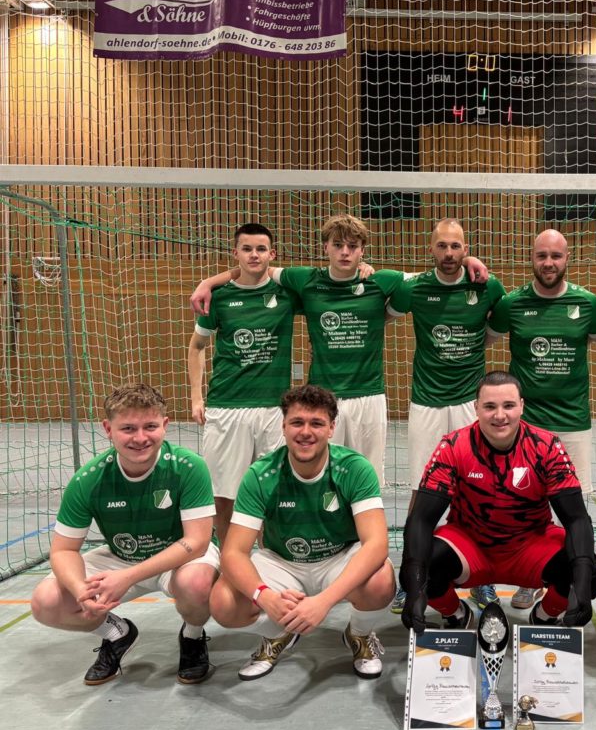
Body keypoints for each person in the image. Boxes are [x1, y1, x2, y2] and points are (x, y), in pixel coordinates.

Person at [191, 214, 488, 485]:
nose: (345, 252)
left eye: (352, 246)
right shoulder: (304, 279)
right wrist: (208, 282)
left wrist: (467, 260)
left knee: (367, 481)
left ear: (362, 251)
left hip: (369, 397)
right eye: (337, 245)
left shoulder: (381, 280)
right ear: (326, 248)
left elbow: (439, 272)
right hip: (324, 397)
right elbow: (257, 267)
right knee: (321, 479)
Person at [30, 384, 218, 686]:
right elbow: (63, 550)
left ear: (165, 425)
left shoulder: (188, 467)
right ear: (108, 429)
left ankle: (193, 636)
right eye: (128, 428)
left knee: (196, 584)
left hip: (177, 557)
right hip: (121, 557)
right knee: (46, 602)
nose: (140, 438)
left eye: (150, 427)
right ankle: (117, 633)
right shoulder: (88, 480)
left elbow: (197, 542)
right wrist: (80, 591)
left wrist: (128, 577)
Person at [209, 384, 395, 681]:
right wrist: (264, 596)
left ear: (331, 428)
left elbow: (376, 544)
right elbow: (233, 552)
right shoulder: (261, 474)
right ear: (283, 426)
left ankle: (359, 635)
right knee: (223, 602)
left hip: (338, 557)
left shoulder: (354, 468)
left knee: (381, 580)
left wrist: (324, 602)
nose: (306, 432)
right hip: (283, 562)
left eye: (316, 423)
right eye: (297, 422)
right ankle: (278, 634)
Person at [399, 371, 596, 632]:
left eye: (508, 405)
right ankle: (456, 613)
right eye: (490, 407)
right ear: (476, 408)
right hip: (469, 544)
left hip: (530, 544)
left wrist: (581, 587)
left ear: (522, 406)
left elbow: (576, 519)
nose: (499, 415)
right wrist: (415, 590)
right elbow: (421, 519)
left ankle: (545, 615)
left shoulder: (547, 446)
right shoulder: (453, 446)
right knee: (418, 569)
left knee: (589, 572)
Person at [487, 230, 596, 607]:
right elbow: (479, 339)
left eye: (555, 256)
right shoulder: (512, 304)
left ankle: (574, 577)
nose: (548, 263)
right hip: (527, 426)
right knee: (528, 504)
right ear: (532, 257)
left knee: (574, 508)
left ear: (567, 258)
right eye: (541, 255)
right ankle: (533, 577)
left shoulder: (587, 304)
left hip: (574, 422)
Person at [386, 218, 506, 612]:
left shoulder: (487, 286)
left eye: (456, 246)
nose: (449, 253)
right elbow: (383, 302)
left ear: (466, 248)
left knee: (478, 489)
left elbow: (496, 327)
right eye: (442, 246)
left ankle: (481, 579)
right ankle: (411, 576)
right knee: (422, 492)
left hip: (470, 403)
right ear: (431, 248)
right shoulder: (414, 288)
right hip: (427, 402)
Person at [187, 222, 299, 541]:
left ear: (272, 254)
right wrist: (196, 397)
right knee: (223, 495)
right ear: (235, 252)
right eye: (247, 249)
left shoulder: (287, 293)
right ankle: (228, 560)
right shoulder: (219, 298)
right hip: (226, 407)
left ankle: (267, 560)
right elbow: (197, 347)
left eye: (261, 249)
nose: (254, 255)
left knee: (272, 492)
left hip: (273, 410)